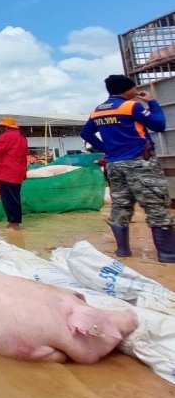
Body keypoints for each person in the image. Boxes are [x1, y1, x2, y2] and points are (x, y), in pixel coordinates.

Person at [80, 74, 174, 263]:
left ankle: (123, 250)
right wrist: (152, 103)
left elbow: (85, 133)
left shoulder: (97, 111)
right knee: (156, 205)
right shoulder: (131, 106)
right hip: (140, 162)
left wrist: (106, 149)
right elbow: (160, 125)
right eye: (134, 88)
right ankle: (167, 254)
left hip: (115, 164)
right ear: (128, 89)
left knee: (121, 205)